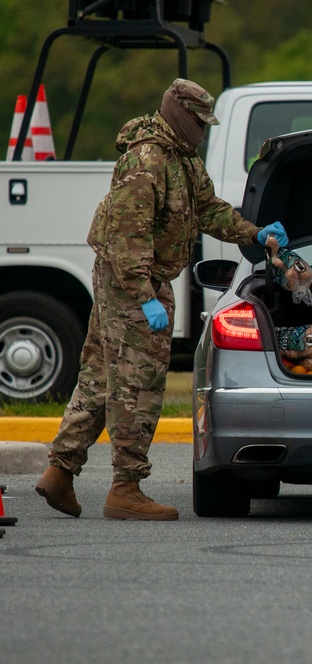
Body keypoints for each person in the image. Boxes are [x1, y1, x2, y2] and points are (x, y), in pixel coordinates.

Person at [34, 78, 288, 521]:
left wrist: (255, 232)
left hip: (133, 281)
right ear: (178, 112)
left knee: (101, 381)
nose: (202, 131)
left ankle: (60, 471)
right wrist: (144, 296)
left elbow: (208, 208)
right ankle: (125, 489)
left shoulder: (181, 159)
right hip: (133, 281)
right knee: (140, 386)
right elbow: (125, 238)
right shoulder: (148, 159)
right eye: (197, 121)